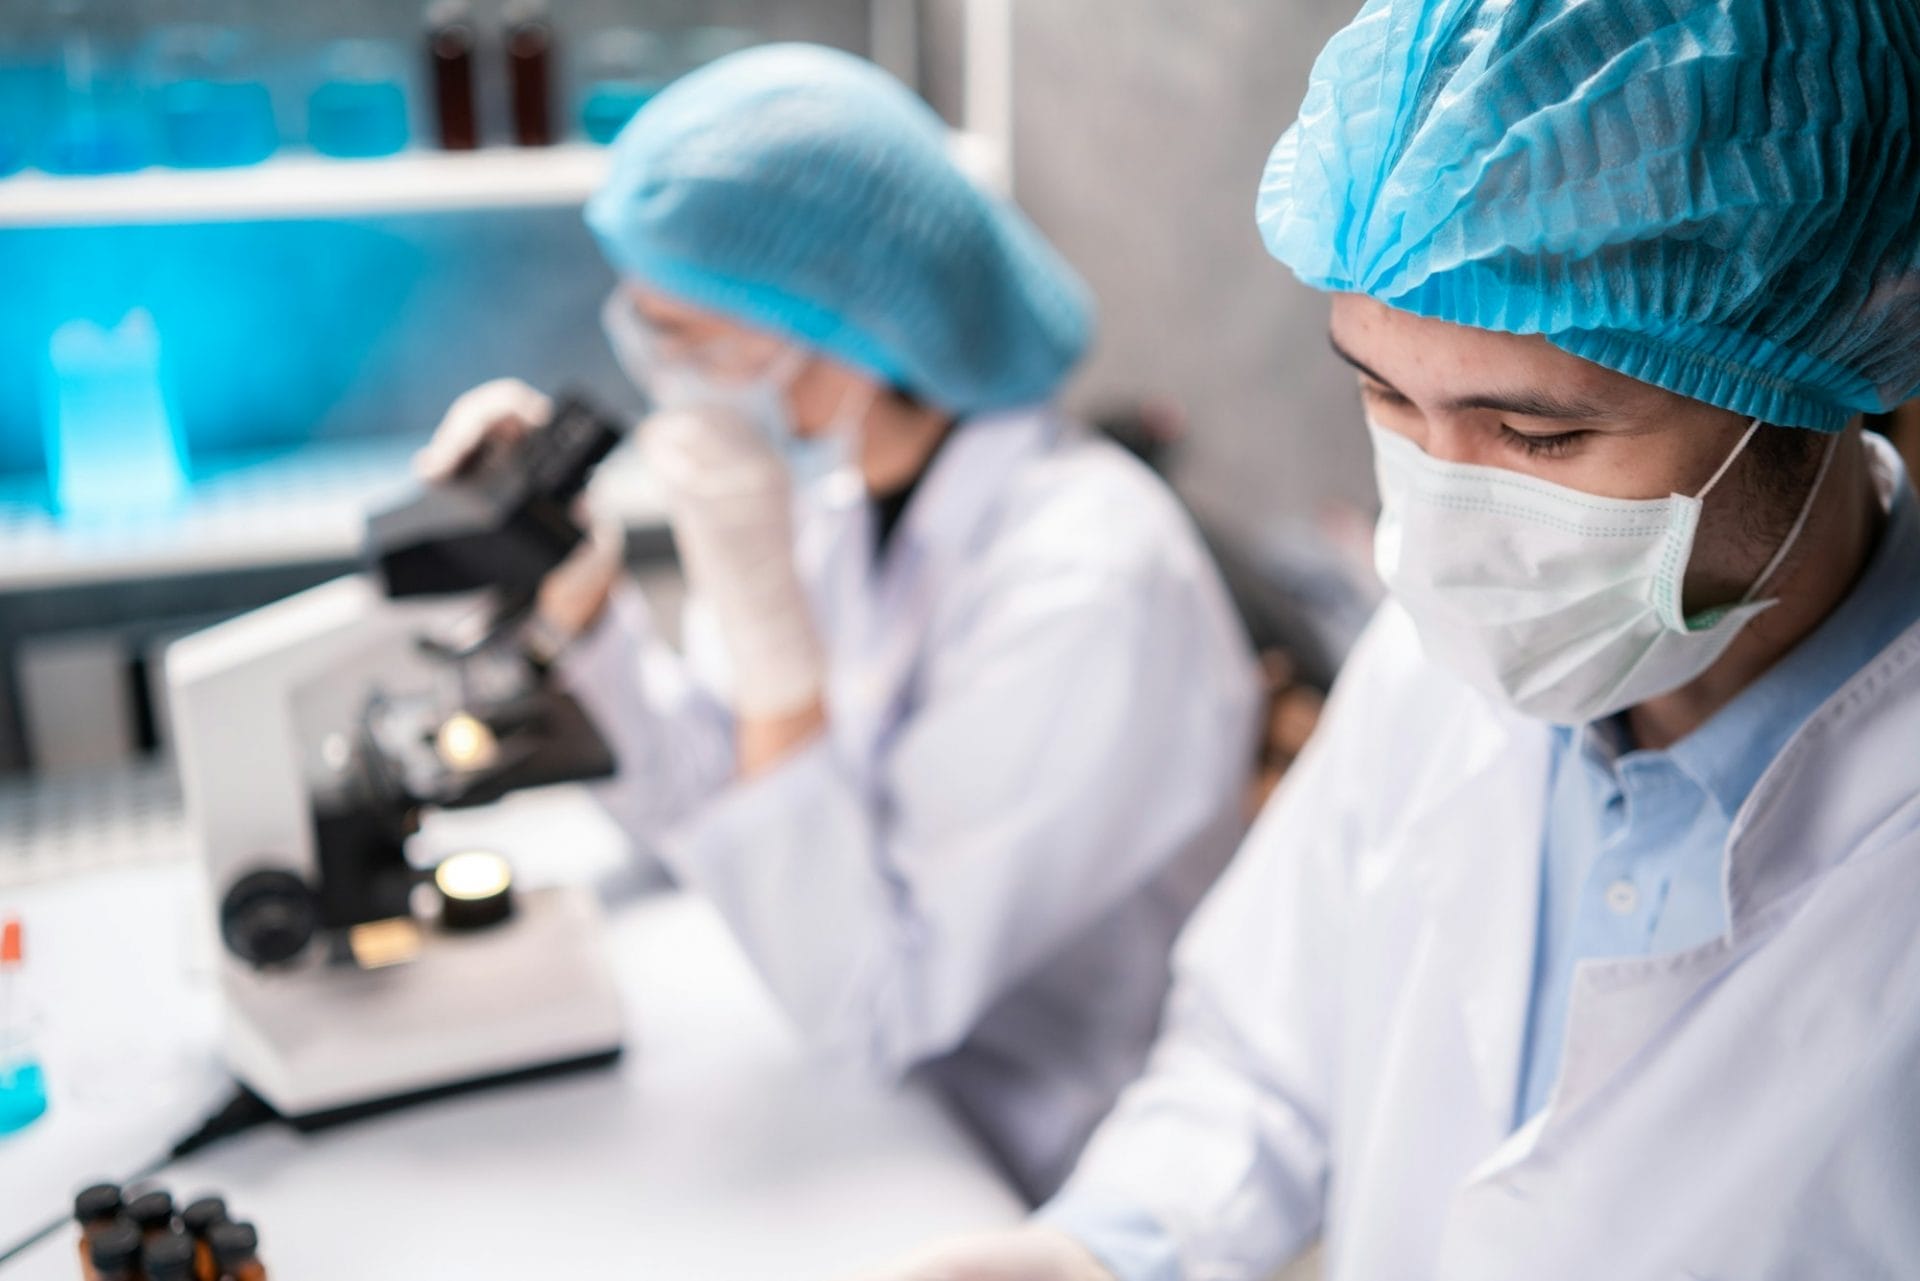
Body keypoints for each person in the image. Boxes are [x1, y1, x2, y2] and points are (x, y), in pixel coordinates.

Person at [855, 0, 1920, 1276]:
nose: (1447, 512)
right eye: (1385, 397)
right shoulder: (1442, 661)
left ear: (1823, 377)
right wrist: (1107, 1247)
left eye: (1538, 439)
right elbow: (1263, 1059)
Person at [416, 43, 1260, 1203]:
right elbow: (712, 816)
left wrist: (777, 672)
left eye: (687, 339)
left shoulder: (1086, 583)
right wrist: (586, 613)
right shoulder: (837, 503)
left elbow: (872, 1002)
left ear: (844, 331)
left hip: (1044, 1164)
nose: (660, 375)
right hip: (877, 1114)